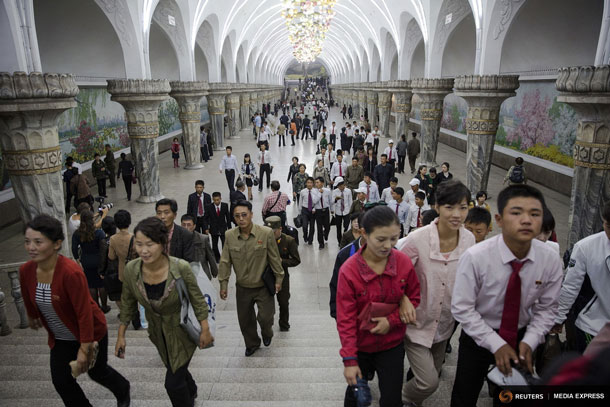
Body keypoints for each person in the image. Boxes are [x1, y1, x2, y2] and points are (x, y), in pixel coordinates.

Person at [450, 185, 563, 406]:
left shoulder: (549, 260)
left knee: (510, 397)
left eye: (534, 214)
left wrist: (531, 340)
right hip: (478, 336)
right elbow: (462, 307)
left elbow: (547, 308)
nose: (527, 220)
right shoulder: (476, 257)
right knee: (465, 394)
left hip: (522, 337)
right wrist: (495, 343)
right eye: (517, 212)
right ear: (499, 220)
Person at [20, 214, 130, 407]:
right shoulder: (26, 271)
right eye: (27, 242)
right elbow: (27, 294)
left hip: (90, 331)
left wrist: (84, 347)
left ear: (56, 244)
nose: (31, 247)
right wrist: (32, 314)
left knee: (97, 371)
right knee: (61, 381)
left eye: (38, 242)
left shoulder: (70, 272)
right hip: (60, 338)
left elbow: (84, 313)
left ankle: (123, 388)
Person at [116, 217, 213, 406]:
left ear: (162, 243)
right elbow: (127, 303)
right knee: (174, 367)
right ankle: (191, 388)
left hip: (182, 331)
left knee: (173, 384)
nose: (143, 250)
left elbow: (198, 299)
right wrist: (121, 335)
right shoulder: (131, 269)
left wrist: (205, 328)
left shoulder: (180, 268)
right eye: (139, 244)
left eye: (150, 244)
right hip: (157, 333)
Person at [400, 180, 475, 407]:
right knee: (428, 382)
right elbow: (393, 271)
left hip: (444, 323)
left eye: (462, 207)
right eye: (450, 207)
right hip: (417, 323)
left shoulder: (469, 240)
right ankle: (397, 397)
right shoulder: (417, 239)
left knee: (431, 371)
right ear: (437, 206)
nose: (457, 214)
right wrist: (403, 299)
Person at [337, 206, 421, 407]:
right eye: (381, 239)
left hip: (391, 345)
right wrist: (349, 361)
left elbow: (415, 296)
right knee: (356, 398)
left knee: (392, 399)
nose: (388, 246)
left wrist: (391, 320)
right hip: (360, 346)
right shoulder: (349, 271)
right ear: (364, 233)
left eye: (393, 238)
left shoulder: (402, 262)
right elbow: (345, 320)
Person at [218, 200, 284, 356]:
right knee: (245, 320)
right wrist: (223, 284)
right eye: (237, 216)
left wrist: (279, 279)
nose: (241, 219)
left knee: (266, 318)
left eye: (244, 215)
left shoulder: (265, 233)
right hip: (243, 288)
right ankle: (252, 343)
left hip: (262, 287)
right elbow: (225, 261)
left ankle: (267, 333)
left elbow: (274, 258)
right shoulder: (230, 235)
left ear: (251, 215)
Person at [551, 201, 610, 353]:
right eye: (608, 226)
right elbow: (570, 287)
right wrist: (559, 318)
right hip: (593, 326)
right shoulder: (586, 247)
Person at [264, 216, 300, 332]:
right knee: (266, 304)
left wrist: (282, 261)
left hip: (283, 276)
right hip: (266, 276)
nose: (271, 234)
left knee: (284, 302)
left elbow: (296, 260)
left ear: (280, 229)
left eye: (273, 232)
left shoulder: (289, 241)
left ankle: (284, 324)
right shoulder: (263, 240)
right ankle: (267, 326)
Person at [72, 209, 110, 313]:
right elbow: (104, 247)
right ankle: (105, 306)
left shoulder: (77, 233)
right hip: (99, 260)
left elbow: (74, 248)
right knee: (101, 284)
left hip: (86, 260)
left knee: (91, 284)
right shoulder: (99, 233)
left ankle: (96, 306)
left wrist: (77, 260)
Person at [180, 214, 218, 280]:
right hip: (185, 276)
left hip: (202, 274)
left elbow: (210, 256)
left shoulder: (203, 239)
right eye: (184, 225)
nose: (186, 227)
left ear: (194, 226)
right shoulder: (177, 240)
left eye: (189, 225)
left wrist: (214, 271)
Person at [205, 192, 232, 262]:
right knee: (214, 244)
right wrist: (206, 228)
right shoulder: (209, 207)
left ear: (220, 198)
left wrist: (230, 228)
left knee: (225, 244)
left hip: (223, 228)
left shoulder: (225, 206)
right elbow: (205, 218)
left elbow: (228, 218)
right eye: (215, 200)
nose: (216, 201)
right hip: (213, 229)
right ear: (212, 199)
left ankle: (225, 257)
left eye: (218, 200)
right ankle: (217, 257)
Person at [332, 177, 353, 245]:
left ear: (344, 184)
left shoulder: (348, 191)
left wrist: (351, 211)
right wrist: (336, 199)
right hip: (338, 212)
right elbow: (332, 202)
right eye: (339, 186)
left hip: (346, 211)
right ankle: (339, 241)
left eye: (342, 186)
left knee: (346, 226)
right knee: (338, 227)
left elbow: (350, 202)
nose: (341, 187)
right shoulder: (335, 192)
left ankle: (345, 239)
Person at [300, 177, 320, 245]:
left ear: (313, 184)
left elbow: (317, 201)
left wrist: (314, 208)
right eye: (308, 183)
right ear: (306, 183)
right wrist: (300, 211)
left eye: (311, 183)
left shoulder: (316, 191)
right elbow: (300, 202)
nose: (309, 184)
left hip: (313, 210)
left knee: (312, 227)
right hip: (305, 210)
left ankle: (310, 240)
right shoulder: (302, 191)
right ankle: (305, 235)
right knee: (304, 225)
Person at [314, 176, 332, 249]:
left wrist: (332, 210)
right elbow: (314, 201)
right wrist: (319, 193)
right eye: (315, 182)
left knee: (327, 226)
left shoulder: (327, 191)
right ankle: (321, 243)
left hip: (326, 210)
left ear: (322, 183)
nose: (316, 184)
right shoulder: (314, 191)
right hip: (318, 211)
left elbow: (330, 201)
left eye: (317, 182)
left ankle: (326, 234)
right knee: (319, 228)